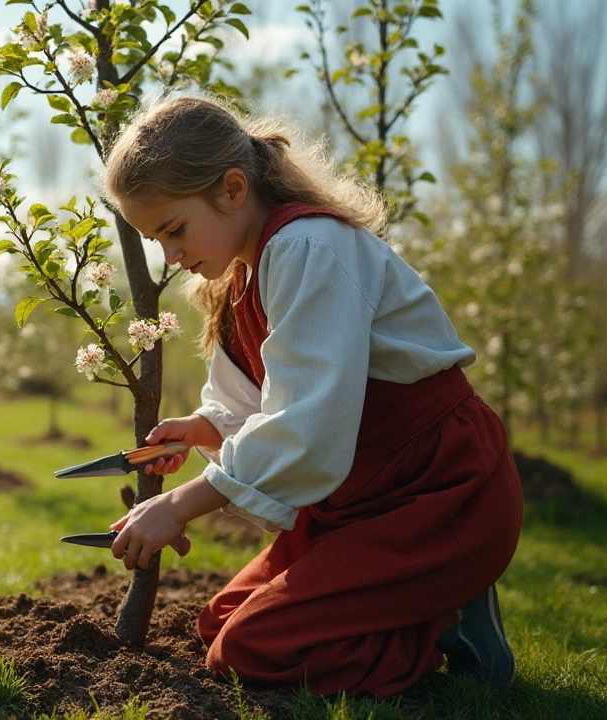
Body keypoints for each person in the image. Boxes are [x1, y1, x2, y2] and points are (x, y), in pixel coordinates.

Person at [99, 95, 524, 699]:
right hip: (359, 497)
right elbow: (267, 409)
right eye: (154, 240)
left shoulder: (309, 248)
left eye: (174, 230)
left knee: (253, 649)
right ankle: (416, 604)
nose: (169, 256)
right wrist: (205, 427)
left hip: (438, 491)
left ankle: (446, 619)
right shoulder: (242, 277)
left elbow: (307, 422)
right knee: (221, 623)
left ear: (233, 189)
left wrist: (181, 506)